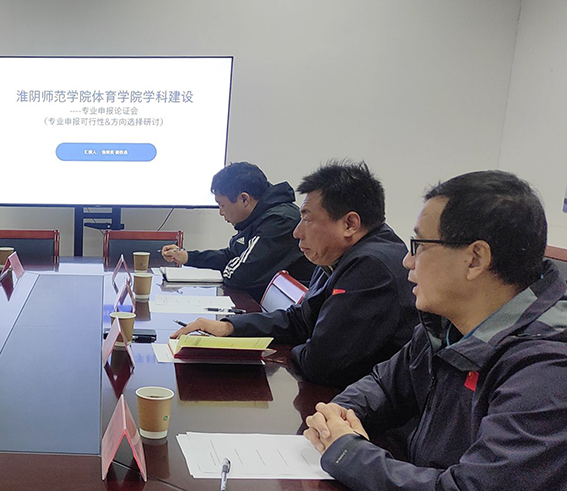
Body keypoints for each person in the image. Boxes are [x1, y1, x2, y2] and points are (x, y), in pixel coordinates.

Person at [304, 170, 567, 490]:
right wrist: (339, 413)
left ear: (475, 259)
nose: (407, 261)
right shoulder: (446, 326)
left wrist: (348, 453)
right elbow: (384, 385)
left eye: (419, 246)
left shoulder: (546, 369)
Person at [172, 160, 417, 387]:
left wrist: (283, 352)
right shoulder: (337, 255)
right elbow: (300, 320)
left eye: (307, 219)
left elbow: (321, 364)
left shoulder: (371, 267)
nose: (297, 232)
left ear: (349, 224)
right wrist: (230, 327)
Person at [161, 162, 314, 301]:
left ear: (244, 199)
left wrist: (233, 264)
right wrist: (187, 257)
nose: (221, 213)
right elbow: (232, 255)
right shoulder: (259, 217)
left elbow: (240, 275)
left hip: (284, 315)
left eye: (222, 205)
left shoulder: (279, 221)